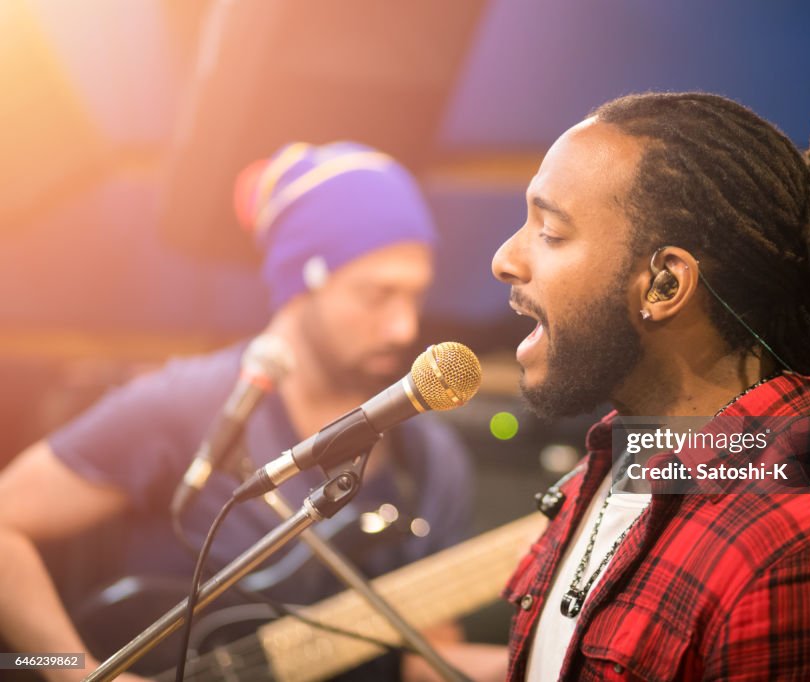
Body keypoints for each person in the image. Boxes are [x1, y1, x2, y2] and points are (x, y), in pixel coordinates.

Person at [487, 93, 810, 680]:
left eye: (551, 231)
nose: (505, 259)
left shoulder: (802, 554)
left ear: (664, 285)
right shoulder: (608, 469)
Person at [0, 142, 473, 681]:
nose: (403, 328)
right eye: (376, 294)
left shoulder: (432, 455)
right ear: (303, 280)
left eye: (415, 296)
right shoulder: (185, 404)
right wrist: (73, 671)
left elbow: (428, 657)